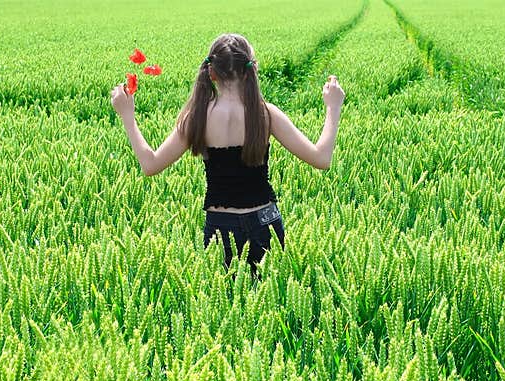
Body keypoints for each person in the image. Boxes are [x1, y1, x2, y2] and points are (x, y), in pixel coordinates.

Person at [111, 33, 345, 277]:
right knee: (268, 305)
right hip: (266, 223)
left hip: (220, 228)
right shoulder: (266, 114)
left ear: (211, 72)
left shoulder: (197, 117)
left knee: (225, 305)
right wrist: (333, 107)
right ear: (250, 71)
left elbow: (150, 164)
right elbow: (321, 158)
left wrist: (128, 117)